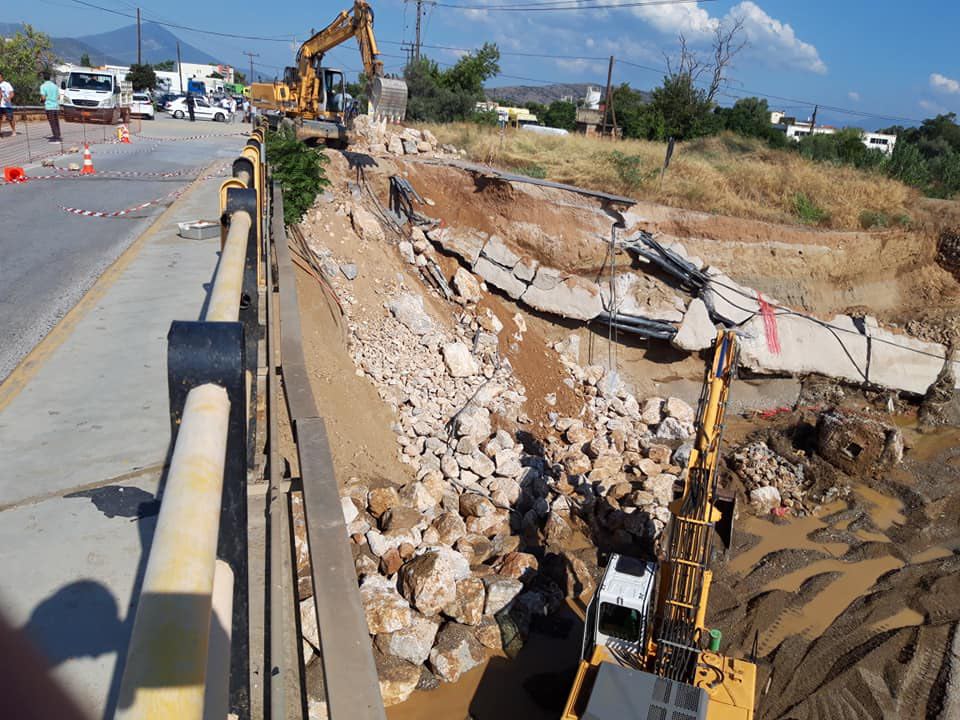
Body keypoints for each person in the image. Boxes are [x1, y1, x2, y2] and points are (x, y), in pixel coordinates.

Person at [39, 72, 61, 142]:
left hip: (49, 106)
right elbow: (58, 97)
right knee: (56, 121)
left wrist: (42, 100)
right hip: (56, 106)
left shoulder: (43, 86)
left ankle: (56, 137)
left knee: (52, 122)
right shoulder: (55, 86)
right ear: (49, 78)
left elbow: (43, 97)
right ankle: (58, 134)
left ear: (43, 78)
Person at [0, 73, 16, 137]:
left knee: (10, 118)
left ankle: (14, 130)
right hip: (0, 105)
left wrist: (8, 98)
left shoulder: (7, 84)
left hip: (7, 105)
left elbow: (12, 94)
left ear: (2, 77)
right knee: (0, 118)